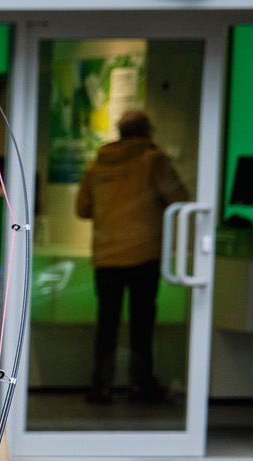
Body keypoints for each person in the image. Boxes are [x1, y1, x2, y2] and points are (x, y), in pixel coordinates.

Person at [75, 109, 190, 406]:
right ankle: (141, 384)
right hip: (143, 255)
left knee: (107, 323)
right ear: (147, 132)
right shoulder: (154, 160)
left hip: (106, 255)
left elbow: (82, 209)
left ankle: (101, 386)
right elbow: (180, 200)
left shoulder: (97, 165)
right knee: (142, 324)